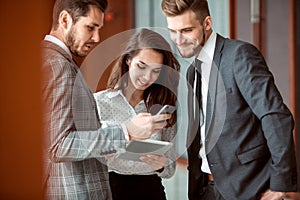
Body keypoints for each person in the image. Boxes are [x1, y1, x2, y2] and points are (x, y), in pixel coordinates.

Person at [161, 0, 298, 199]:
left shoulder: (239, 55)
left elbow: (276, 116)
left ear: (207, 23)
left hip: (247, 188)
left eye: (187, 30)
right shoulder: (192, 71)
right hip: (205, 189)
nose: (178, 39)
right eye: (173, 31)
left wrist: (281, 184)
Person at [41, 1, 170, 199]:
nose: (97, 37)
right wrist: (126, 132)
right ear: (65, 19)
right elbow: (59, 146)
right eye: (90, 27)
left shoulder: (61, 62)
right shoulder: (57, 65)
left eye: (98, 29)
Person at [94, 28, 180, 200]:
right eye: (142, 66)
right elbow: (87, 153)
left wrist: (162, 165)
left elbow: (170, 169)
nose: (147, 77)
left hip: (151, 190)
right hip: (111, 189)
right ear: (128, 60)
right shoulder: (99, 102)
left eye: (156, 71)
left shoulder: (163, 106)